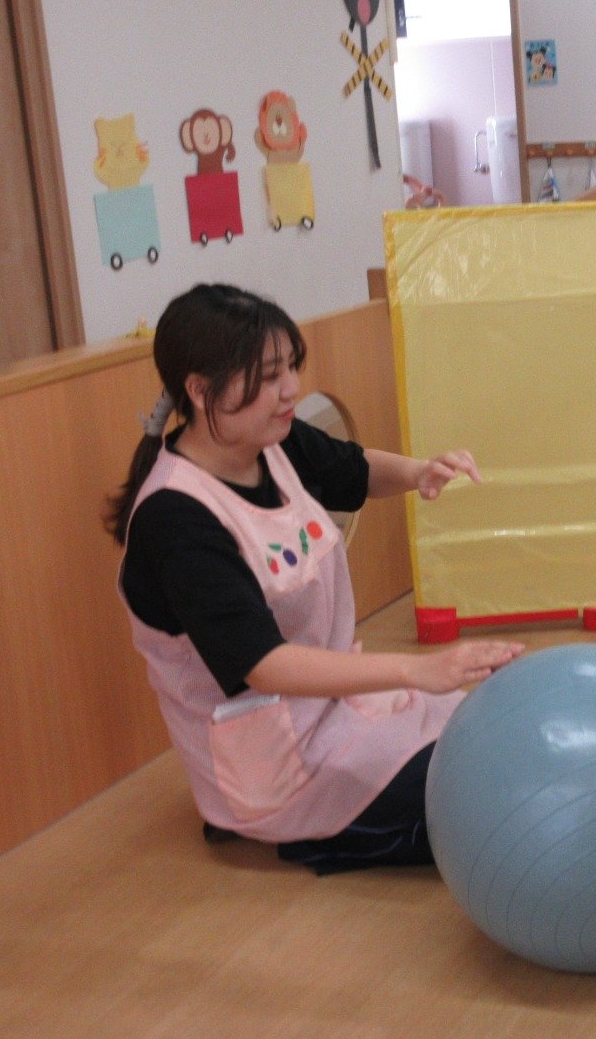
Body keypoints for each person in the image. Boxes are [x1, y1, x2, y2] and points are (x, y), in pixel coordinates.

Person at [105, 283, 524, 874]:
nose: (291, 390)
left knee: (498, 747)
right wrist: (418, 669)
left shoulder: (269, 442)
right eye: (268, 376)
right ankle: (309, 831)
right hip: (277, 762)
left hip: (340, 706)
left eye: (291, 368)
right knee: (488, 805)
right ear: (199, 390)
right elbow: (263, 664)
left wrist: (418, 472)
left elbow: (353, 469)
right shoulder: (175, 518)